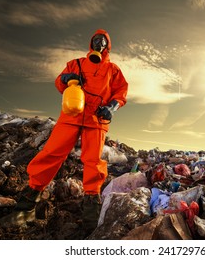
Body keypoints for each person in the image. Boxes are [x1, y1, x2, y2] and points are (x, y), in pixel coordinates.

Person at [14, 29, 128, 236]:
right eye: (96, 40)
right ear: (90, 43)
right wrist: (65, 78)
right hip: (71, 115)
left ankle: (90, 219)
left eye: (103, 42)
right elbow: (60, 83)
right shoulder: (75, 63)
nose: (99, 44)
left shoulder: (113, 70)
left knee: (93, 162)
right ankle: (26, 205)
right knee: (51, 153)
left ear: (107, 47)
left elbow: (121, 93)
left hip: (97, 120)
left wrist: (112, 107)